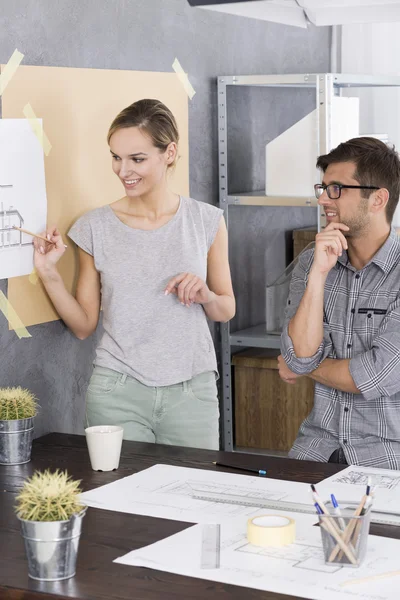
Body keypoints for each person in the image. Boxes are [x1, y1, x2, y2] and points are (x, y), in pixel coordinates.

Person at [33, 98, 235, 450]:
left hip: (192, 392)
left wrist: (206, 295)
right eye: (116, 157)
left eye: (137, 159)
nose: (123, 170)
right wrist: (48, 273)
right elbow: (83, 326)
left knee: (191, 498)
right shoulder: (93, 228)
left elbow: (226, 309)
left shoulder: (206, 221)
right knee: (118, 500)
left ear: (169, 152)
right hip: (117, 391)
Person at [279, 136, 400, 469]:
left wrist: (304, 367)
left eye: (336, 189)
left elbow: (374, 376)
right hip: (315, 449)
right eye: (323, 188)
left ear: (378, 199)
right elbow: (297, 353)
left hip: (386, 458)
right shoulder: (311, 261)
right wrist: (318, 275)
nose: (323, 200)